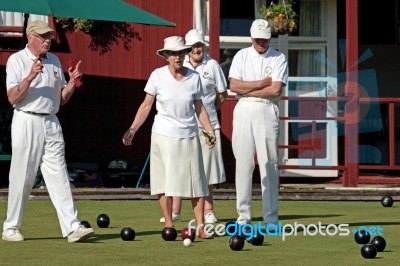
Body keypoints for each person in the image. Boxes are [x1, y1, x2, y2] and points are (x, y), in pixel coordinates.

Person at [2, 20, 94, 242]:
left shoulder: (54, 61)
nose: (48, 40)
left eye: (49, 37)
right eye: (43, 37)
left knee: (59, 174)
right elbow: (12, 98)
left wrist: (71, 83)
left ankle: (72, 227)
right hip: (27, 120)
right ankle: (11, 227)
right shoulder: (16, 60)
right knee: (22, 176)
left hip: (52, 121)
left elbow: (61, 100)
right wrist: (31, 76)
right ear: (30, 37)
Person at [122, 36, 216, 239]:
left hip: (189, 135)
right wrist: (133, 129)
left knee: (196, 183)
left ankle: (200, 228)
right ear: (166, 56)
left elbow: (199, 108)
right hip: (163, 135)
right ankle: (169, 223)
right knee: (163, 182)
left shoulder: (194, 77)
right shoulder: (157, 76)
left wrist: (209, 131)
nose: (178, 57)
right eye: (174, 53)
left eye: (181, 52)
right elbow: (147, 105)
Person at [158, 29, 228, 224]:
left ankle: (208, 211)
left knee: (207, 171)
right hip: (185, 126)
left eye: (200, 45)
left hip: (208, 124)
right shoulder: (180, 64)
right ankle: (175, 212)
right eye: (194, 46)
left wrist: (210, 112)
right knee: (180, 169)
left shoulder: (212, 65)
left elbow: (222, 93)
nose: (197, 49)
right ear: (187, 49)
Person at [228, 19, 288, 227]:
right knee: (243, 164)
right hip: (243, 108)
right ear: (252, 37)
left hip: (266, 108)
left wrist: (248, 87)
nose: (261, 42)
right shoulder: (241, 56)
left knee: (268, 164)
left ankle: (270, 218)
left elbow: (275, 90)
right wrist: (260, 83)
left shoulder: (279, 57)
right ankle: (243, 217)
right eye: (257, 38)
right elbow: (234, 85)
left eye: (264, 38)